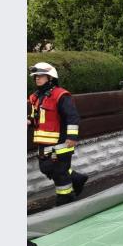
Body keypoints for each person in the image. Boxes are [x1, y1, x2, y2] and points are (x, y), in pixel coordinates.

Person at [28, 62, 88, 206]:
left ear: (50, 78)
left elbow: (72, 116)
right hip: (43, 143)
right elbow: (35, 116)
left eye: (41, 76)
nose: (37, 78)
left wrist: (72, 136)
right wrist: (29, 121)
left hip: (61, 143)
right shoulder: (34, 97)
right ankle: (77, 179)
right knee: (46, 168)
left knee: (60, 172)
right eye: (36, 76)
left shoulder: (61, 95)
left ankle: (66, 200)